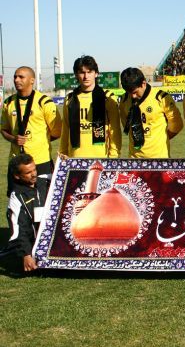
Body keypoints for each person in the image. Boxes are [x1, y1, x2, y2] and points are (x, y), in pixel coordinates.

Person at [1, 66, 61, 195]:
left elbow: (57, 132)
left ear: (32, 80)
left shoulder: (44, 102)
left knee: (43, 199)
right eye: (15, 77)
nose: (16, 80)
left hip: (41, 161)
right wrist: (13, 139)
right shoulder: (8, 102)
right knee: (17, 199)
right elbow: (4, 130)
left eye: (21, 77)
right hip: (17, 161)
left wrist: (39, 141)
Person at [59, 56, 121, 158]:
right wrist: (63, 153)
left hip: (101, 158)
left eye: (89, 72)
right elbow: (65, 130)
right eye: (82, 72)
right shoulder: (69, 99)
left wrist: (113, 156)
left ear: (96, 73)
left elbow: (115, 131)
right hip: (75, 158)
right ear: (76, 75)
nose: (86, 76)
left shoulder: (107, 97)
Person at [119, 67, 183, 158]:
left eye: (135, 92)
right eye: (129, 92)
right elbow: (126, 124)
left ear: (143, 83)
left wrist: (162, 138)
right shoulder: (124, 100)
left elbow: (178, 125)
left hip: (159, 159)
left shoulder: (161, 97)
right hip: (134, 159)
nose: (133, 96)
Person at [5, 154, 49, 272]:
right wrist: (26, 255)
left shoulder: (46, 180)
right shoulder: (16, 197)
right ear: (17, 176)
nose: (34, 174)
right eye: (28, 172)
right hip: (33, 245)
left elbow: (65, 173)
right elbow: (18, 230)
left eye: (34, 169)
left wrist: (65, 162)